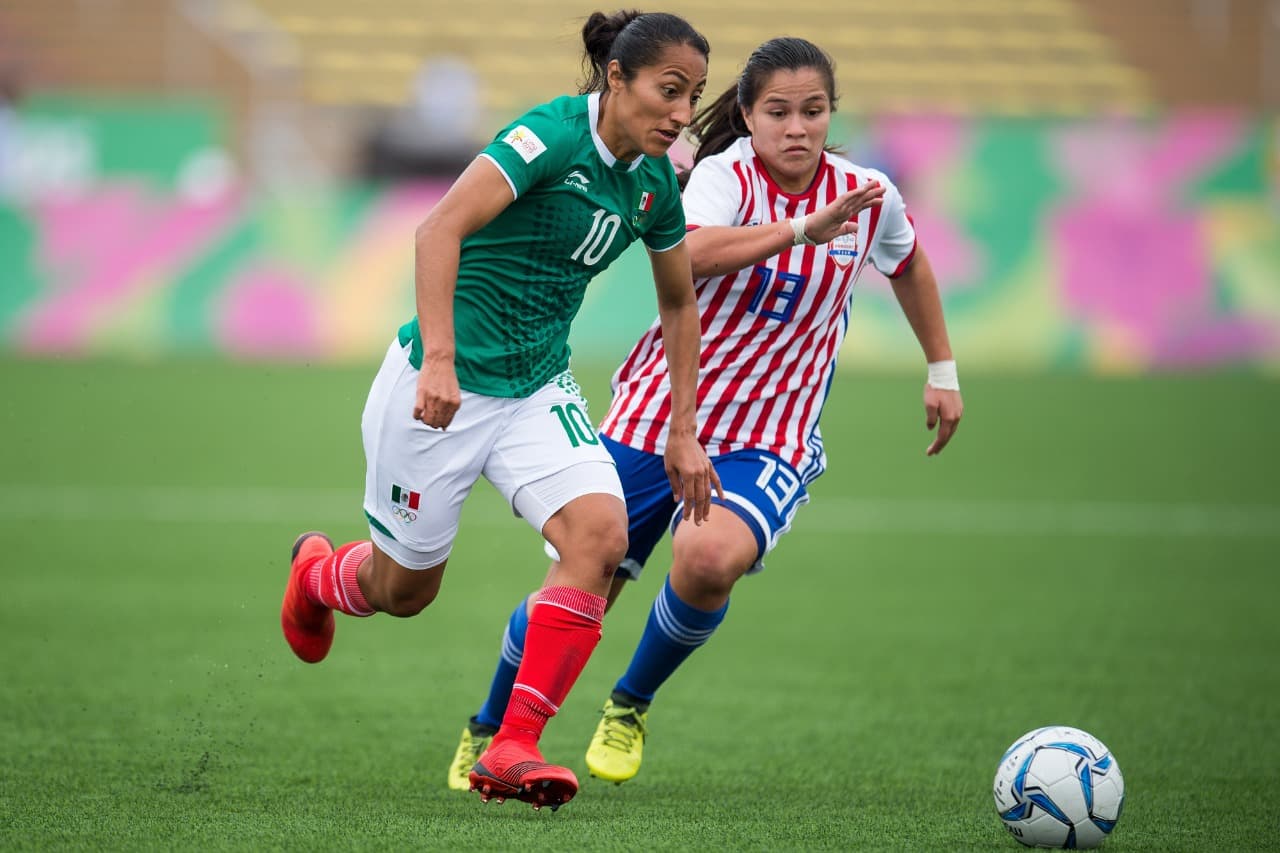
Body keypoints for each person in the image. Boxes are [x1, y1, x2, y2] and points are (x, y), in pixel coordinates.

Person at [446, 36, 964, 790]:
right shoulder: (724, 176)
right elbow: (686, 255)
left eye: (813, 111)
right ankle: (491, 724)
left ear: (832, 114)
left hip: (770, 436)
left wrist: (941, 368)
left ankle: (629, 704)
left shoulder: (867, 194)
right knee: (581, 585)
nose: (797, 127)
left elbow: (908, 260)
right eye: (778, 112)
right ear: (748, 117)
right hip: (655, 415)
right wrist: (800, 230)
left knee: (710, 557)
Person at [280, 10, 721, 812]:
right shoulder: (548, 137)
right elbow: (437, 228)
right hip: (440, 387)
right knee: (405, 591)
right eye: (669, 90)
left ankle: (514, 743)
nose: (682, 112)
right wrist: (440, 360)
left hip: (536, 390)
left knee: (602, 536)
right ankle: (316, 576)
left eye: (693, 95)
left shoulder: (655, 182)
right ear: (617, 78)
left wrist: (683, 427)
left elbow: (680, 300)